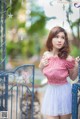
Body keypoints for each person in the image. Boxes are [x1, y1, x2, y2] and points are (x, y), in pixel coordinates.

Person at [39, 26, 80, 119]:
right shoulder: (46, 55)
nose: (60, 40)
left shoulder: (68, 58)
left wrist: (76, 65)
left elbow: (73, 78)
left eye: (62, 37)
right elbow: (42, 70)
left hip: (64, 92)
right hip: (50, 92)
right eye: (56, 37)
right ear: (51, 38)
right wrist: (41, 64)